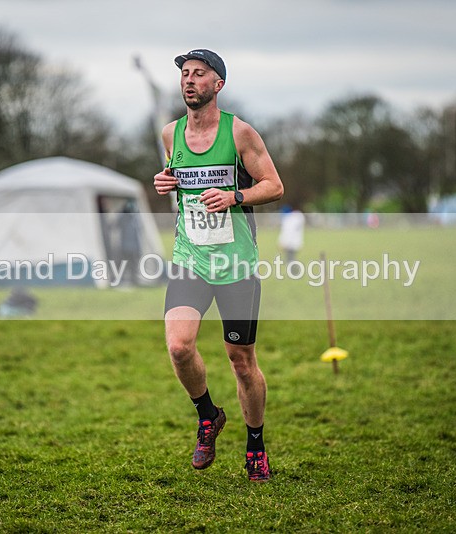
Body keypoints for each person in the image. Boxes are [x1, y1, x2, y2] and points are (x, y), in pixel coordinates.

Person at [153, 49, 284, 481]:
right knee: (178, 346)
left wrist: (235, 197)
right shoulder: (171, 133)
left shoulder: (241, 133)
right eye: (185, 75)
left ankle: (255, 447)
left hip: (236, 265)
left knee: (242, 361)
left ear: (217, 85)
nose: (189, 80)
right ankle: (207, 416)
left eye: (199, 74)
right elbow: (176, 179)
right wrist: (164, 181)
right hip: (190, 257)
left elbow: (274, 185)